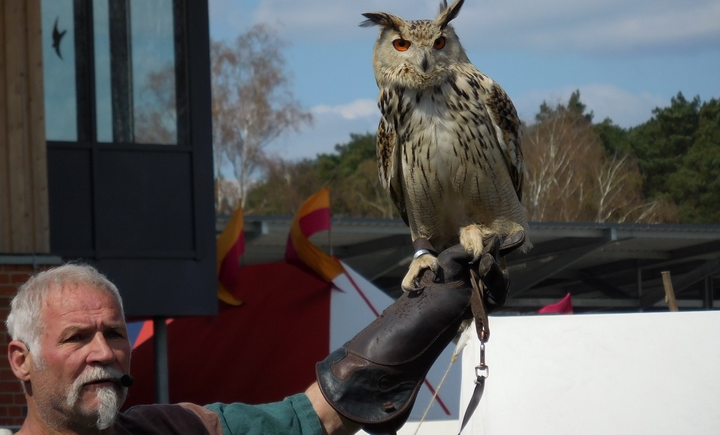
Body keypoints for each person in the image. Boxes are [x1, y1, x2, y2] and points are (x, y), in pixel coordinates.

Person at [6, 238, 514, 435]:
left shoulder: (173, 429)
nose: (104, 353)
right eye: (76, 338)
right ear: (21, 360)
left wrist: (430, 310)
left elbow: (309, 417)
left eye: (115, 333)